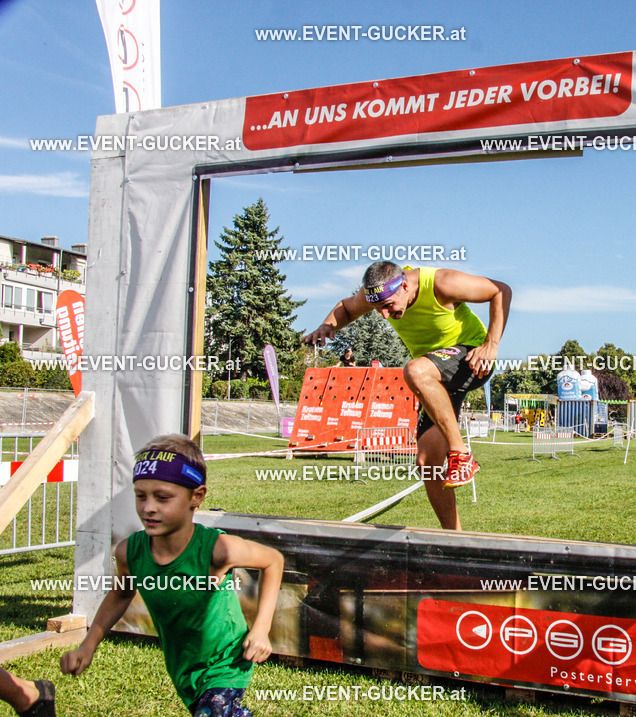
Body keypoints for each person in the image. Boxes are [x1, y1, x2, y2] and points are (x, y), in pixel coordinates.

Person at [60, 434, 284, 717]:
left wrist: (261, 629)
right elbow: (120, 594)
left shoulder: (217, 549)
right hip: (184, 668)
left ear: (196, 496)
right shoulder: (130, 552)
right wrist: (88, 645)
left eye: (163, 497)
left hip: (226, 662)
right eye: (140, 496)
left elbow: (273, 560)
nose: (148, 508)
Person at [303, 262, 512, 531]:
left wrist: (491, 345)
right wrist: (326, 325)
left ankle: (461, 454)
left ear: (404, 286)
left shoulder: (441, 283)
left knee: (414, 370)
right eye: (378, 309)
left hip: (471, 358)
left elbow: (500, 290)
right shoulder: (379, 292)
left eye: (389, 306)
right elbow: (346, 307)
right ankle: (455, 538)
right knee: (427, 463)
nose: (385, 315)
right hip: (435, 376)